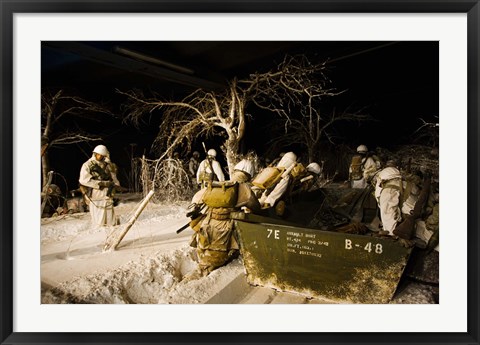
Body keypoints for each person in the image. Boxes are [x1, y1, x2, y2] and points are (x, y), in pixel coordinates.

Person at [184, 162, 261, 280]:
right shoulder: (244, 188)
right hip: (222, 231)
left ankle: (202, 262)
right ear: (248, 175)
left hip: (206, 225)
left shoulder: (221, 185)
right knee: (207, 265)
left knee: (205, 254)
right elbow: (255, 207)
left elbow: (197, 199)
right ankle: (188, 282)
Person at [79, 144, 121, 227]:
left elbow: (115, 180)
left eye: (102, 155)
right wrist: (100, 183)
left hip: (107, 195)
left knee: (110, 220)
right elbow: (83, 180)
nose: (100, 157)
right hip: (96, 195)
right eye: (98, 154)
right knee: (98, 220)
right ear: (94, 154)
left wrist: (114, 184)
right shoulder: (87, 165)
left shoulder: (107, 165)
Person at [373, 160, 403, 236]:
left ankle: (390, 233)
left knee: (387, 211)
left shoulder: (383, 172)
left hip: (388, 189)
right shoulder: (397, 171)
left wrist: (379, 201)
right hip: (401, 186)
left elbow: (378, 189)